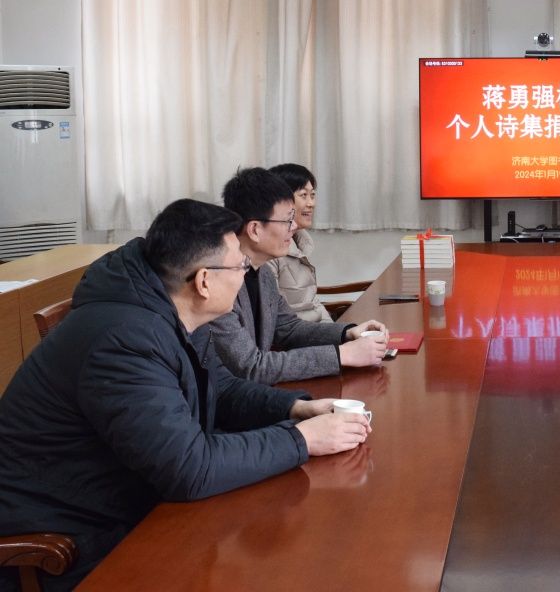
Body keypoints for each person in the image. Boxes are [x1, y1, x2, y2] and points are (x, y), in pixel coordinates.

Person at [0, 200, 370, 590]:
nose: (246, 275)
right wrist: (302, 439)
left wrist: (296, 408)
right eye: (240, 266)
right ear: (204, 281)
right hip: (69, 539)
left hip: (132, 499)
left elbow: (222, 389)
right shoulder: (123, 340)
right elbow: (189, 470)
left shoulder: (172, 304)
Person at [208, 167, 389, 384]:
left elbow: (289, 328)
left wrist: (347, 333)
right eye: (287, 220)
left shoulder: (262, 273)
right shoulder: (217, 283)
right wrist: (342, 355)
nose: (294, 227)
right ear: (255, 229)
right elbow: (251, 367)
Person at [266, 163, 336, 322]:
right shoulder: (268, 252)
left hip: (317, 331)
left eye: (312, 195)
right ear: (280, 200)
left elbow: (313, 303)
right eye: (303, 195)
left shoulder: (301, 242)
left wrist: (340, 331)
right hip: (297, 333)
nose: (311, 203)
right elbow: (276, 321)